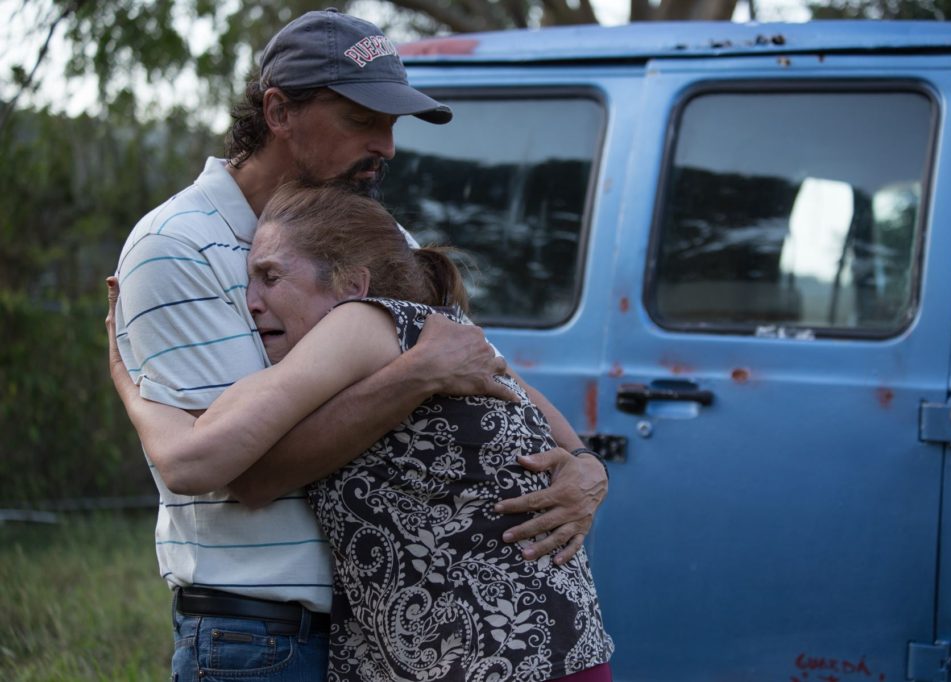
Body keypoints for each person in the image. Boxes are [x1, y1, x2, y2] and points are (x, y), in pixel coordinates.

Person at [111, 8, 608, 681]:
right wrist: (414, 376)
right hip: (262, 632)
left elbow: (475, 366)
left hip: (382, 636)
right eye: (362, 119)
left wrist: (582, 463)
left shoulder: (379, 236)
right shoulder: (175, 246)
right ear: (279, 111)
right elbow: (247, 472)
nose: (388, 146)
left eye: (393, 123)